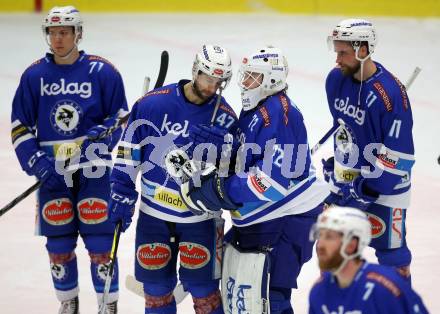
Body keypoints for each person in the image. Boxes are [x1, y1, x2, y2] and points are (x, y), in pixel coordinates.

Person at [180, 46, 330, 314]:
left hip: (288, 218)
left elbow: (269, 183)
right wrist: (224, 146)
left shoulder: (280, 115)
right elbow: (251, 156)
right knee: (240, 286)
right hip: (265, 216)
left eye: (253, 77)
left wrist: (221, 190)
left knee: (271, 296)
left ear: (271, 80)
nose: (244, 83)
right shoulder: (257, 109)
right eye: (245, 75)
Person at [11, 6, 128, 314]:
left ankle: (107, 304)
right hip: (52, 176)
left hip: (95, 172)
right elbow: (20, 125)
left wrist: (100, 139)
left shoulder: (103, 72)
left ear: (78, 33)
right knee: (59, 246)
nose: (58, 39)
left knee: (101, 243)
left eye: (64, 32)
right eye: (52, 32)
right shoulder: (34, 75)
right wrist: (37, 162)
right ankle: (68, 303)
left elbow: (120, 117)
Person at [108, 44, 237, 314]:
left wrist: (226, 151)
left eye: (219, 82)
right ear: (195, 71)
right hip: (154, 216)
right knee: (155, 292)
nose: (212, 87)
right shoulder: (153, 103)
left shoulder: (225, 118)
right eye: (208, 78)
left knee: (205, 292)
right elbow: (127, 152)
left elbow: (232, 175)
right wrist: (121, 190)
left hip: (200, 220)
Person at [322, 18, 415, 280]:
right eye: (336, 51)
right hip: (350, 181)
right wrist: (340, 162)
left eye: (343, 52)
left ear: (363, 50)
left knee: (393, 258)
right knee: (337, 252)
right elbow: (343, 127)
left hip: (388, 187)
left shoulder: (391, 94)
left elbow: (400, 155)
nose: (337, 60)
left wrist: (369, 188)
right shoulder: (335, 80)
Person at [308, 206, 428, 313]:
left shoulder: (387, 289)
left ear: (351, 245)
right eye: (319, 235)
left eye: (329, 237)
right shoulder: (320, 290)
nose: (320, 245)